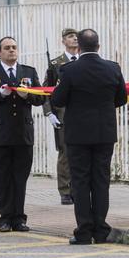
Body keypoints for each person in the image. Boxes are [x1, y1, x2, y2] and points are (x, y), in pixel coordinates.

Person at [51, 29, 128, 244]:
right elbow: (122, 98)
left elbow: (58, 99)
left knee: (81, 182)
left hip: (78, 135)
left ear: (80, 48)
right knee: (101, 181)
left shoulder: (69, 70)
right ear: (99, 46)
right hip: (104, 133)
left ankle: (84, 231)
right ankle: (101, 230)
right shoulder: (113, 68)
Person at [0, 36, 44, 232]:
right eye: (7, 48)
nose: (11, 50)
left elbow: (41, 99)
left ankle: (19, 218)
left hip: (22, 132)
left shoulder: (28, 71)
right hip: (0, 133)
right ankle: (5, 217)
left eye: (14, 47)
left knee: (20, 177)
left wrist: (27, 95)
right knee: (2, 177)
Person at [42, 28, 79, 205]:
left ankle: (78, 188)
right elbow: (46, 89)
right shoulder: (56, 64)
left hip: (81, 113)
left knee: (80, 152)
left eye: (76, 36)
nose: (75, 39)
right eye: (71, 36)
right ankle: (65, 190)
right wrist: (49, 112)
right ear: (63, 41)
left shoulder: (83, 61)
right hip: (63, 114)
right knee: (65, 153)